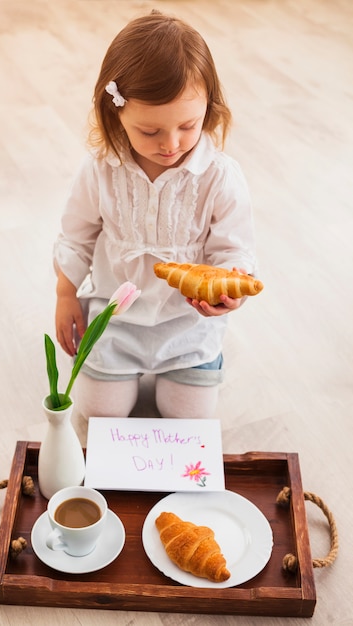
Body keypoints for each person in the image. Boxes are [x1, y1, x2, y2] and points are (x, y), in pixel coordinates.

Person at [53, 10, 258, 421]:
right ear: (115, 115)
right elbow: (76, 236)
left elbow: (233, 250)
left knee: (189, 418)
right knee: (97, 414)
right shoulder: (100, 170)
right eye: (150, 131)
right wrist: (65, 294)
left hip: (188, 328)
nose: (171, 144)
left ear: (209, 109)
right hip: (116, 321)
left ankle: (192, 369)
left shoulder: (219, 177)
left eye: (188, 125)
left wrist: (229, 291)